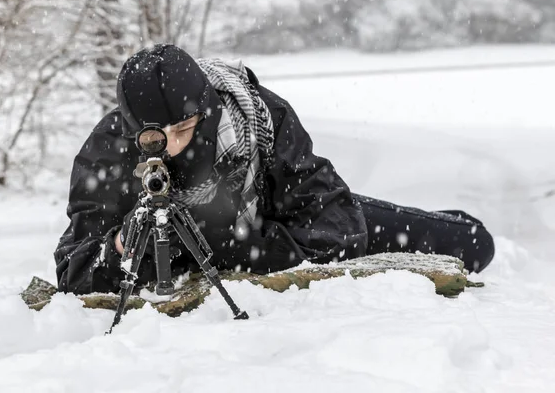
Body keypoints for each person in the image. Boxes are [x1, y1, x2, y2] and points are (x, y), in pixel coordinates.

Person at [54, 44, 494, 295]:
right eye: (155, 139)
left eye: (184, 128)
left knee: (470, 244)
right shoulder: (107, 150)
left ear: (205, 112)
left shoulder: (258, 115)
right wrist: (121, 247)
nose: (171, 146)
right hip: (268, 237)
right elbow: (73, 268)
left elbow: (338, 229)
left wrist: (233, 245)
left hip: (281, 221)